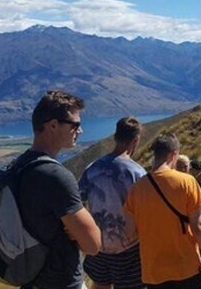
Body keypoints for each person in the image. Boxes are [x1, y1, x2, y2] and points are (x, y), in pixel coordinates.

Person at [13, 90, 101, 288]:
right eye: (75, 125)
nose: (80, 131)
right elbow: (93, 244)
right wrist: (77, 226)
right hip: (62, 282)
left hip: (30, 280)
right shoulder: (56, 177)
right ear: (53, 125)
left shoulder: (18, 166)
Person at [124, 134, 201, 288]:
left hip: (153, 270)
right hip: (186, 266)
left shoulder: (136, 189)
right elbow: (197, 226)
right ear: (173, 154)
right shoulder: (187, 182)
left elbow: (130, 232)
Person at [79, 117, 145, 289]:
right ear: (136, 140)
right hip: (129, 246)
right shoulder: (137, 173)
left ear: (115, 137)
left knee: (100, 284)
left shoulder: (93, 168)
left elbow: (78, 202)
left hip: (98, 243)